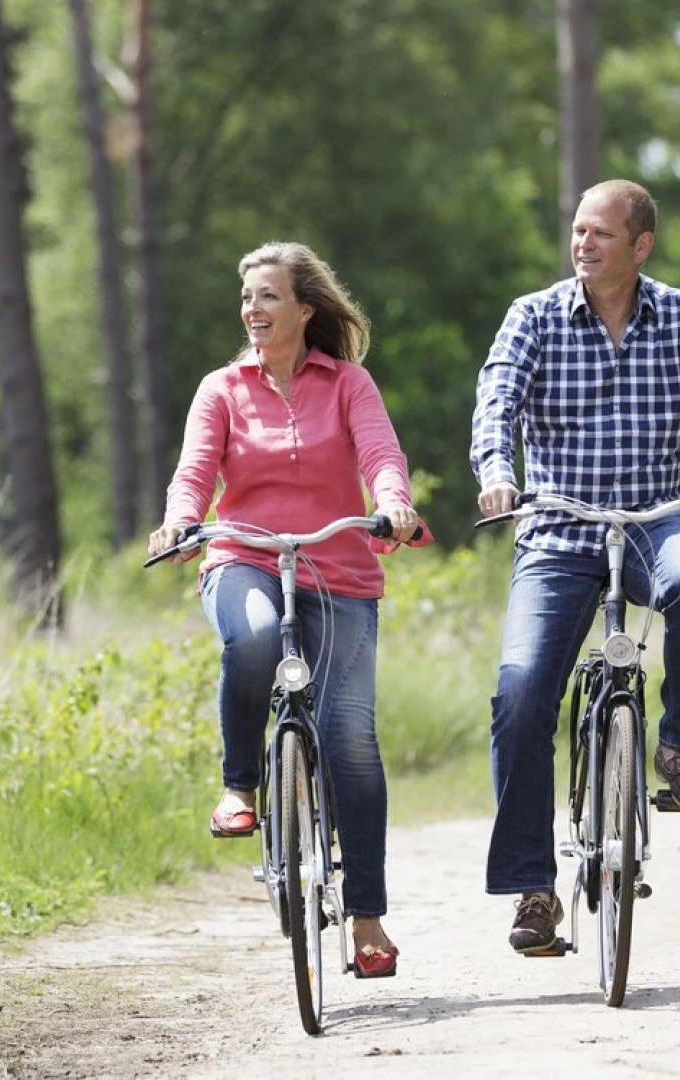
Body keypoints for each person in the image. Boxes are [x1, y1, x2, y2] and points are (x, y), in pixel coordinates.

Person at [470, 178, 680, 954]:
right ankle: (534, 888)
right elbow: (495, 402)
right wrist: (496, 469)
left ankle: (678, 743)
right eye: (577, 231)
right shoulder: (532, 317)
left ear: (641, 246)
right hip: (559, 531)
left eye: (601, 233)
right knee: (522, 689)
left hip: (655, 521)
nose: (583, 244)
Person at [147, 240, 425, 979]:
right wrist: (180, 521)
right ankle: (242, 786)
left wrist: (393, 503)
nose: (253, 309)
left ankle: (366, 917)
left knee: (350, 740)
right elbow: (194, 472)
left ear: (305, 308)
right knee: (257, 638)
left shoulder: (349, 385)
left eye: (268, 296)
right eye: (246, 298)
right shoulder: (221, 389)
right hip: (244, 559)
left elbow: (380, 457)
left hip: (337, 567)